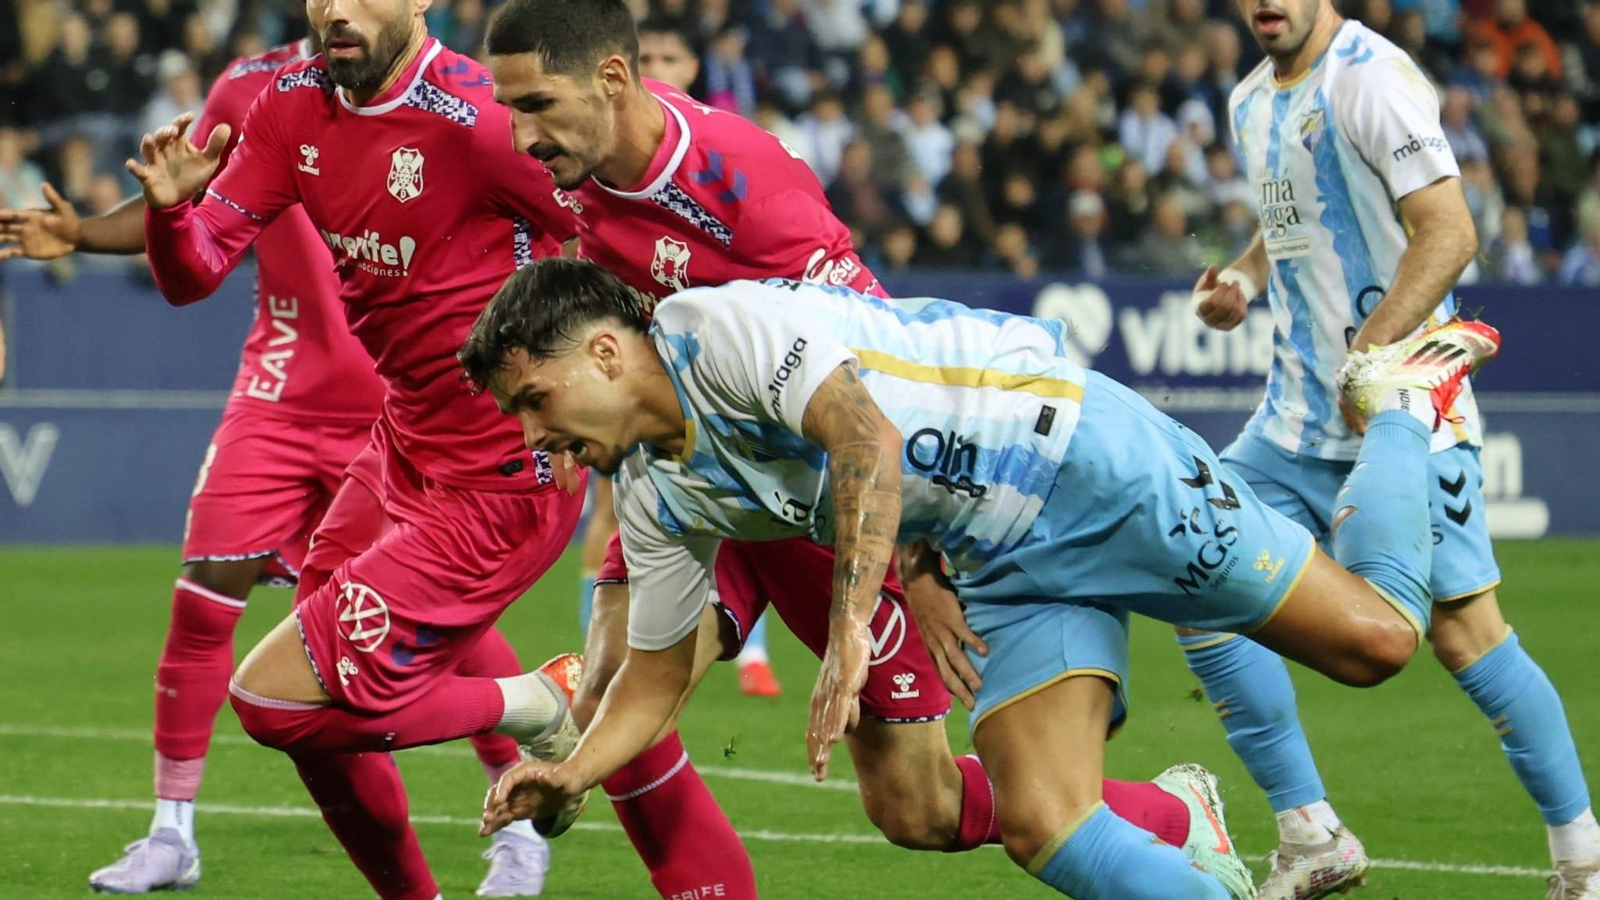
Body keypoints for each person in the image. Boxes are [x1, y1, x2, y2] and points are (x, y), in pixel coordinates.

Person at [480, 4, 1254, 899]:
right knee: (610, 694)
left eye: (536, 103)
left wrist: (918, 550)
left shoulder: (744, 187)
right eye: (512, 108)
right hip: (700, 479)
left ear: (614, 81)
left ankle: (1172, 813)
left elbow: (875, 361)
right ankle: (573, 774)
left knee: (913, 806)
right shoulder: (573, 169)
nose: (522, 134)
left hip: (812, 490)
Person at [464, 261, 1499, 900]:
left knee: (1378, 645)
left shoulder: (718, 330)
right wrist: (573, 770)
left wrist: (853, 622)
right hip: (1001, 557)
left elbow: (863, 434)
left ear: (606, 352)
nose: (533, 435)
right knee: (1042, 822)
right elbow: (651, 675)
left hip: (1086, 464)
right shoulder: (656, 496)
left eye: (536, 399)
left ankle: (1400, 402)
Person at [1, 36, 553, 897]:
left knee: (424, 624)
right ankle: (171, 831)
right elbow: (198, 222)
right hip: (283, 384)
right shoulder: (262, 91)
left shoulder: (470, 112)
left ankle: (515, 804)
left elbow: (589, 215)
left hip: (401, 399)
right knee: (212, 600)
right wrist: (102, 225)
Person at [1184, 1, 1600, 897]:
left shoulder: (1371, 79)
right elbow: (1286, 217)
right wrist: (1244, 280)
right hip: (1292, 420)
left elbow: (1449, 234)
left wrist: (1368, 361)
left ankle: (1584, 860)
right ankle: (1308, 833)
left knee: (1466, 639)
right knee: (1194, 565)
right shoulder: (1251, 98)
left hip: (1404, 414)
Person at [571, 11, 784, 699]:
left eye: (673, 54)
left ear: (695, 69)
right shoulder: (605, 163)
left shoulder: (719, 149)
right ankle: (597, 658)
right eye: (650, 52)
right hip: (641, 368)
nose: (660, 63)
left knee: (755, 509)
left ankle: (751, 655)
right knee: (610, 515)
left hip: (719, 374)